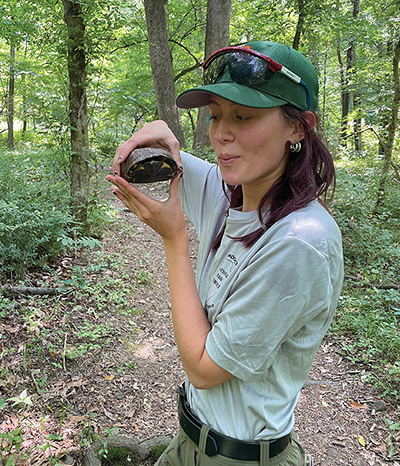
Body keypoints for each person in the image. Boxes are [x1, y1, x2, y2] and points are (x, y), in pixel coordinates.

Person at [106, 40, 344, 466]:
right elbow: (158, 158)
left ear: (298, 128)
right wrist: (159, 133)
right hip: (189, 439)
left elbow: (202, 368)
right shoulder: (232, 192)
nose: (220, 134)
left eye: (244, 116)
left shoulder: (300, 241)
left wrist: (175, 240)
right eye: (215, 115)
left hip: (242, 457)